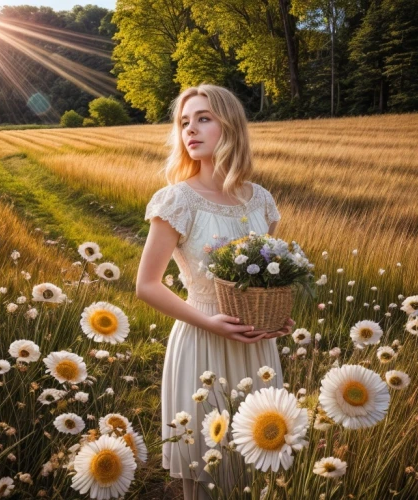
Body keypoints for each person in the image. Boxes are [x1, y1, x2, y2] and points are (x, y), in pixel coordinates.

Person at [136, 84, 295, 499]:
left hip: (257, 347)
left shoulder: (260, 199)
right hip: (202, 338)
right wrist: (211, 322)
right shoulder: (177, 200)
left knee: (260, 463)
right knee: (208, 468)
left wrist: (276, 316)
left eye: (203, 118)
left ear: (230, 126)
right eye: (184, 122)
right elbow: (146, 285)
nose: (191, 129)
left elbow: (265, 279)